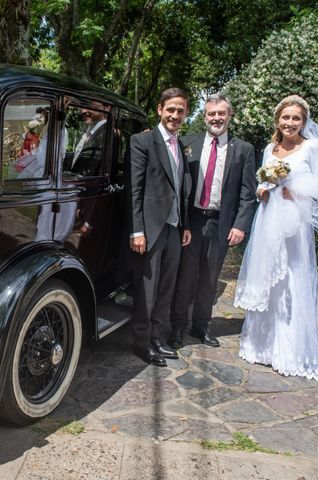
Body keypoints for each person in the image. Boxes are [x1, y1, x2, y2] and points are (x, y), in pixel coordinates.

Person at [234, 94, 318, 381]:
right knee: (268, 280)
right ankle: (262, 346)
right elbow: (264, 180)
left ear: (304, 122)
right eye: (286, 117)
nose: (290, 122)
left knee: (292, 281)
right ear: (277, 120)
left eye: (296, 118)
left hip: (295, 226)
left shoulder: (313, 147)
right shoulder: (270, 148)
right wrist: (262, 188)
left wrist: (295, 191)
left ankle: (290, 351)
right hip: (268, 221)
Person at [170, 94, 257, 349]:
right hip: (191, 221)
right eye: (211, 114)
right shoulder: (188, 144)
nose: (216, 118)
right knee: (185, 277)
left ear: (230, 115)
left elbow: (247, 192)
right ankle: (177, 327)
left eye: (221, 113)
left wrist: (240, 225)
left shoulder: (244, 149)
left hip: (220, 223)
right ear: (204, 116)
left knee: (209, 278)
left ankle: (201, 326)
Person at [128, 88, 192, 366]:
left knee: (166, 287)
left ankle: (158, 338)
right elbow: (134, 188)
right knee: (147, 289)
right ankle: (142, 343)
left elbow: (181, 188)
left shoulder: (181, 145)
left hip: (175, 228)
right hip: (151, 229)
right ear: (159, 109)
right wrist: (137, 230)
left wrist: (184, 224)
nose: (175, 115)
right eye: (171, 109)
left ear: (186, 114)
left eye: (180, 111)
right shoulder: (142, 141)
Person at [65, 106, 107, 176]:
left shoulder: (107, 133)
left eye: (89, 106)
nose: (83, 111)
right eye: (82, 106)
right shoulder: (89, 131)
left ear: (106, 108)